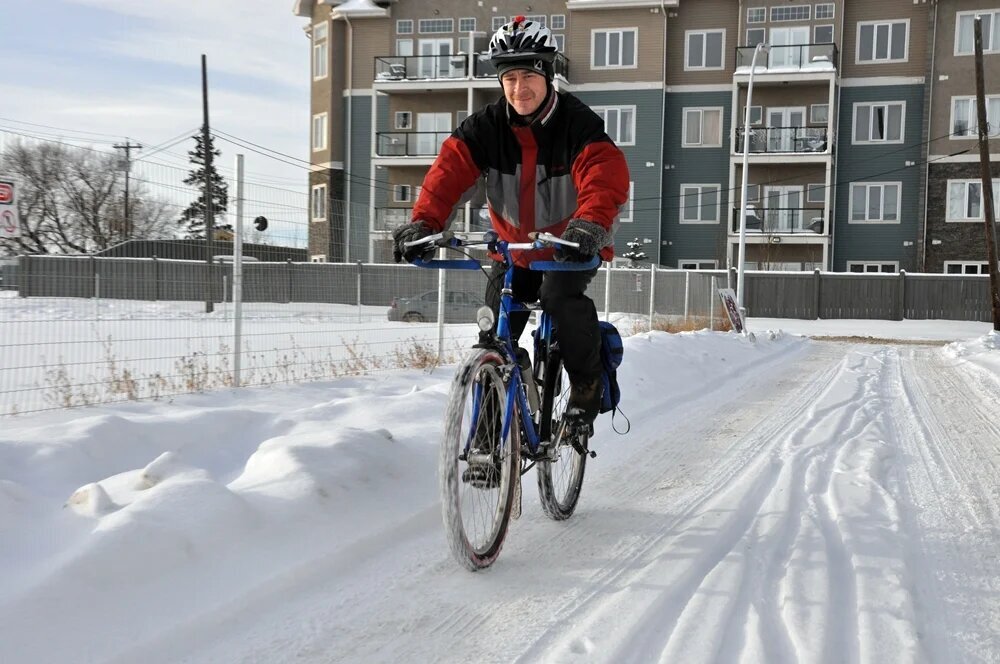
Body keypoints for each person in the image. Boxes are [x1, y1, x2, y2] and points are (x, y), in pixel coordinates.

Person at [393, 16, 630, 432]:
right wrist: (423, 223)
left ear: (548, 72)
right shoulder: (484, 128)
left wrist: (590, 225)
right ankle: (486, 438)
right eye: (510, 78)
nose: (519, 89)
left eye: (528, 76)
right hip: (512, 251)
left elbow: (602, 175)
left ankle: (586, 385)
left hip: (567, 249)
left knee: (560, 298)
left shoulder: (579, 125)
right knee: (493, 335)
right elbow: (446, 175)